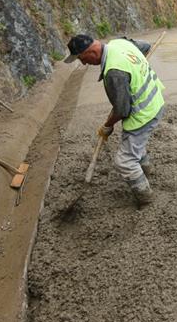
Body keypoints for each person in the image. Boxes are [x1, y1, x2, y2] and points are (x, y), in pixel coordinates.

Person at [65, 34, 165, 206]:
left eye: (82, 58)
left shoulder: (114, 73)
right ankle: (147, 171)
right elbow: (146, 46)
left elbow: (122, 110)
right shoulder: (120, 43)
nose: (83, 63)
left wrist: (107, 126)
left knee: (124, 161)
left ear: (92, 51)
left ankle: (146, 198)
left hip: (143, 114)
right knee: (133, 144)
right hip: (155, 100)